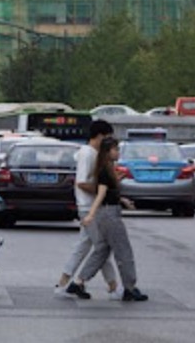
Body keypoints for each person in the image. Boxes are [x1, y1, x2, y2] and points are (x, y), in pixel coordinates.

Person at [66, 137, 147, 302]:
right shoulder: (104, 170)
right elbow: (101, 195)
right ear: (107, 152)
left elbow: (108, 193)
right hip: (109, 215)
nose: (118, 152)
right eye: (115, 150)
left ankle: (78, 282)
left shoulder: (108, 169)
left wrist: (122, 200)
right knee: (123, 251)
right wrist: (90, 215)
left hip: (108, 212)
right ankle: (129, 288)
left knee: (102, 250)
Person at [54, 119, 120, 299]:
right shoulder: (87, 154)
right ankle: (111, 286)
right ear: (99, 136)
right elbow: (82, 182)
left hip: (91, 206)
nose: (109, 143)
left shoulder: (93, 153)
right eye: (107, 138)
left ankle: (63, 283)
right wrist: (105, 190)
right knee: (101, 248)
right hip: (88, 206)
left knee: (85, 246)